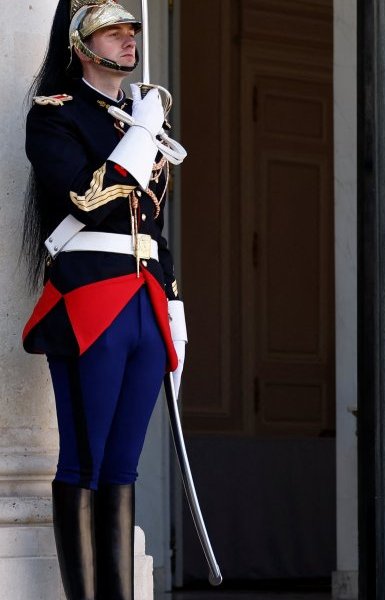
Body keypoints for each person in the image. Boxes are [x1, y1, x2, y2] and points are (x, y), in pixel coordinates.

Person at [20, 1, 188, 598]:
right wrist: (142, 132)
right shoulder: (56, 116)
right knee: (85, 461)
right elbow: (88, 200)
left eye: (130, 31)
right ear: (81, 46)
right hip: (92, 298)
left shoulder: (136, 120)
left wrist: (172, 301)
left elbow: (153, 224)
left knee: (122, 464)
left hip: (145, 300)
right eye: (111, 32)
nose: (128, 40)